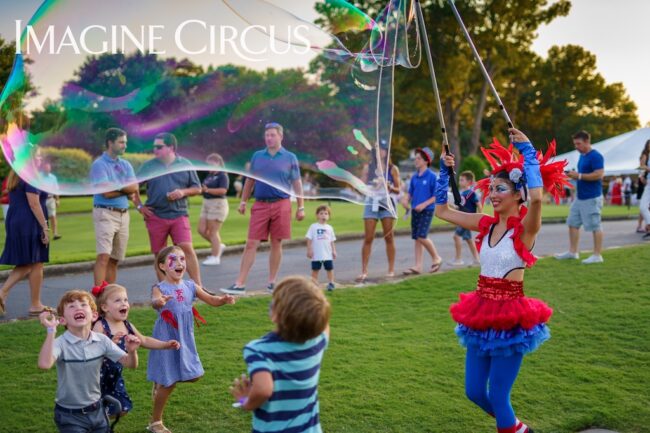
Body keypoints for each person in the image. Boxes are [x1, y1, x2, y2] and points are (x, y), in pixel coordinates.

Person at [434, 129, 568, 433]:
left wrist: (529, 154)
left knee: (498, 395)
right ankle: (519, 429)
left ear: (517, 193)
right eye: (491, 188)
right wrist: (444, 172)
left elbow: (536, 200)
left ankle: (511, 428)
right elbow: (442, 211)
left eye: (501, 189)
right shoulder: (484, 223)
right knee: (474, 392)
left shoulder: (525, 230)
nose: (492, 194)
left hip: (511, 317)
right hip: (480, 313)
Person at [148, 245, 236, 433]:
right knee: (169, 382)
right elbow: (155, 301)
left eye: (182, 259)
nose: (179, 263)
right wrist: (159, 301)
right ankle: (156, 422)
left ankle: (160, 383)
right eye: (173, 260)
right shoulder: (160, 288)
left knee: (194, 376)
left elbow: (212, 300)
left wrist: (223, 299)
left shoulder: (190, 286)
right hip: (167, 339)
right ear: (162, 266)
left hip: (185, 337)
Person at [229, 276, 330, 433]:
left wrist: (246, 401)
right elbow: (324, 323)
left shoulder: (259, 350)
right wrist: (313, 298)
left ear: (276, 315)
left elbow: (263, 390)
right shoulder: (318, 342)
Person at [37, 290, 141, 433]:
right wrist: (51, 331)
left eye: (83, 305)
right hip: (69, 415)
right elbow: (44, 364)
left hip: (97, 410)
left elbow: (130, 364)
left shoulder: (102, 340)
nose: (78, 308)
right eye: (71, 306)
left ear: (94, 315)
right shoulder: (60, 343)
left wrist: (132, 351)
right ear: (62, 320)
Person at [221, 122, 305, 295]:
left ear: (281, 136)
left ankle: (272, 282)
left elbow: (297, 183)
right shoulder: (257, 156)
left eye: (272, 135)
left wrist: (301, 206)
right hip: (260, 204)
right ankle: (239, 284)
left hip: (282, 204)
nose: (269, 138)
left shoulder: (290, 157)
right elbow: (249, 180)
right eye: (267, 135)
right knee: (251, 243)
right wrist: (243, 202)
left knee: (276, 242)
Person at [91, 283, 181, 417]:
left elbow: (144, 340)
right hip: (97, 376)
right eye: (118, 300)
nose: (124, 304)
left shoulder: (127, 325)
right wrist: (109, 343)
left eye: (125, 300)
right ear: (105, 307)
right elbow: (91, 350)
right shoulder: (100, 326)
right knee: (97, 409)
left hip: (114, 376)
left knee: (120, 409)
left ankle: (101, 424)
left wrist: (165, 345)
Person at [133, 132, 203, 285]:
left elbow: (197, 188)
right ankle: (166, 291)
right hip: (156, 215)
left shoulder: (185, 164)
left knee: (186, 249)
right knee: (160, 255)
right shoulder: (148, 166)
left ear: (171, 147)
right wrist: (139, 206)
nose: (155, 149)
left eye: (159, 147)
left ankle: (198, 288)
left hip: (179, 214)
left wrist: (182, 192)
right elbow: (133, 187)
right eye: (154, 147)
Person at [89, 128, 138, 287]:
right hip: (105, 213)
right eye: (121, 142)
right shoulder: (99, 164)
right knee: (104, 257)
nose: (125, 145)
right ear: (110, 143)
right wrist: (125, 188)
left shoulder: (126, 164)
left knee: (115, 259)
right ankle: (97, 298)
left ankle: (109, 295)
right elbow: (106, 193)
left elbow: (134, 188)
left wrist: (117, 187)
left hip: (124, 215)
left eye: (125, 142)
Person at [0, 164, 50, 317]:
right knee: (33, 262)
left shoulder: (16, 174)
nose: (42, 159)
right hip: (29, 221)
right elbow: (34, 203)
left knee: (32, 263)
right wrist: (45, 227)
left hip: (17, 219)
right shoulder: (30, 176)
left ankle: (34, 304)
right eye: (39, 156)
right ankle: (3, 293)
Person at [554, 131, 605, 264]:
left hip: (592, 197)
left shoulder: (596, 156)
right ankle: (573, 252)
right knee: (572, 223)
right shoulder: (582, 156)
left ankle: (597, 255)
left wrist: (579, 176)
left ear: (587, 141)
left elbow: (599, 174)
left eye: (579, 143)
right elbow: (580, 174)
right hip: (580, 197)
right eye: (575, 144)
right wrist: (573, 175)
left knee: (595, 226)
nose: (576, 146)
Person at [356, 139, 400, 282]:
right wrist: (370, 187)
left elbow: (398, 189)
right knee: (368, 237)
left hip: (386, 203)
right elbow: (360, 187)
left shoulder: (392, 168)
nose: (380, 151)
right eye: (378, 149)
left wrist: (389, 186)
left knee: (389, 237)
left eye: (383, 148)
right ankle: (364, 271)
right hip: (371, 202)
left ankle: (391, 270)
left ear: (387, 151)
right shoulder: (368, 167)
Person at [401, 147, 442, 275]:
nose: (416, 160)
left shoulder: (432, 176)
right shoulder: (414, 177)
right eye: (416, 158)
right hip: (415, 211)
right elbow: (410, 193)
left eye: (418, 158)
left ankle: (436, 257)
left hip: (427, 210)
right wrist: (405, 200)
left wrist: (424, 205)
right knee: (417, 239)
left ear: (426, 161)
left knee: (421, 236)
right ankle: (418, 266)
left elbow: (436, 196)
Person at [198, 153, 229, 266]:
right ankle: (218, 246)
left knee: (212, 232)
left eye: (210, 164)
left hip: (217, 204)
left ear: (217, 163)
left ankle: (215, 257)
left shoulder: (222, 176)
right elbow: (205, 188)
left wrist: (207, 190)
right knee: (201, 230)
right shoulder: (209, 175)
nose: (208, 166)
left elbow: (223, 191)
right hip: (206, 203)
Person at [450, 170, 482, 266]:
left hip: (467, 219)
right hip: (463, 219)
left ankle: (458, 259)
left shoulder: (471, 193)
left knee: (456, 236)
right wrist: (450, 205)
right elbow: (459, 207)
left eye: (462, 180)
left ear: (469, 182)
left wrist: (480, 216)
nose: (460, 182)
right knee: (468, 239)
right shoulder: (462, 194)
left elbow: (478, 204)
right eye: (459, 180)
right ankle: (477, 259)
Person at [306, 205, 337, 291]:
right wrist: (309, 250)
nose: (324, 215)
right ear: (317, 215)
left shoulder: (330, 228)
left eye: (326, 213)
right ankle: (314, 284)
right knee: (315, 269)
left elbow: (332, 241)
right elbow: (309, 239)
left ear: (329, 216)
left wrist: (334, 251)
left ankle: (331, 283)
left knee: (329, 269)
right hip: (316, 254)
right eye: (321, 213)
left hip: (327, 254)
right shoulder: (313, 227)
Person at [40, 158, 62, 240]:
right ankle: (44, 233)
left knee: (53, 216)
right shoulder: (39, 176)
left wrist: (57, 200)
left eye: (48, 168)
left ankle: (55, 233)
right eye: (46, 168)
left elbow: (56, 189)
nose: (47, 169)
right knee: (43, 217)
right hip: (42, 199)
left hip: (51, 199)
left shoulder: (53, 177)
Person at [637, 139, 650, 239]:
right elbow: (641, 167)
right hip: (648, 183)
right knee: (643, 207)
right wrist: (641, 176)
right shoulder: (645, 155)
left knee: (643, 206)